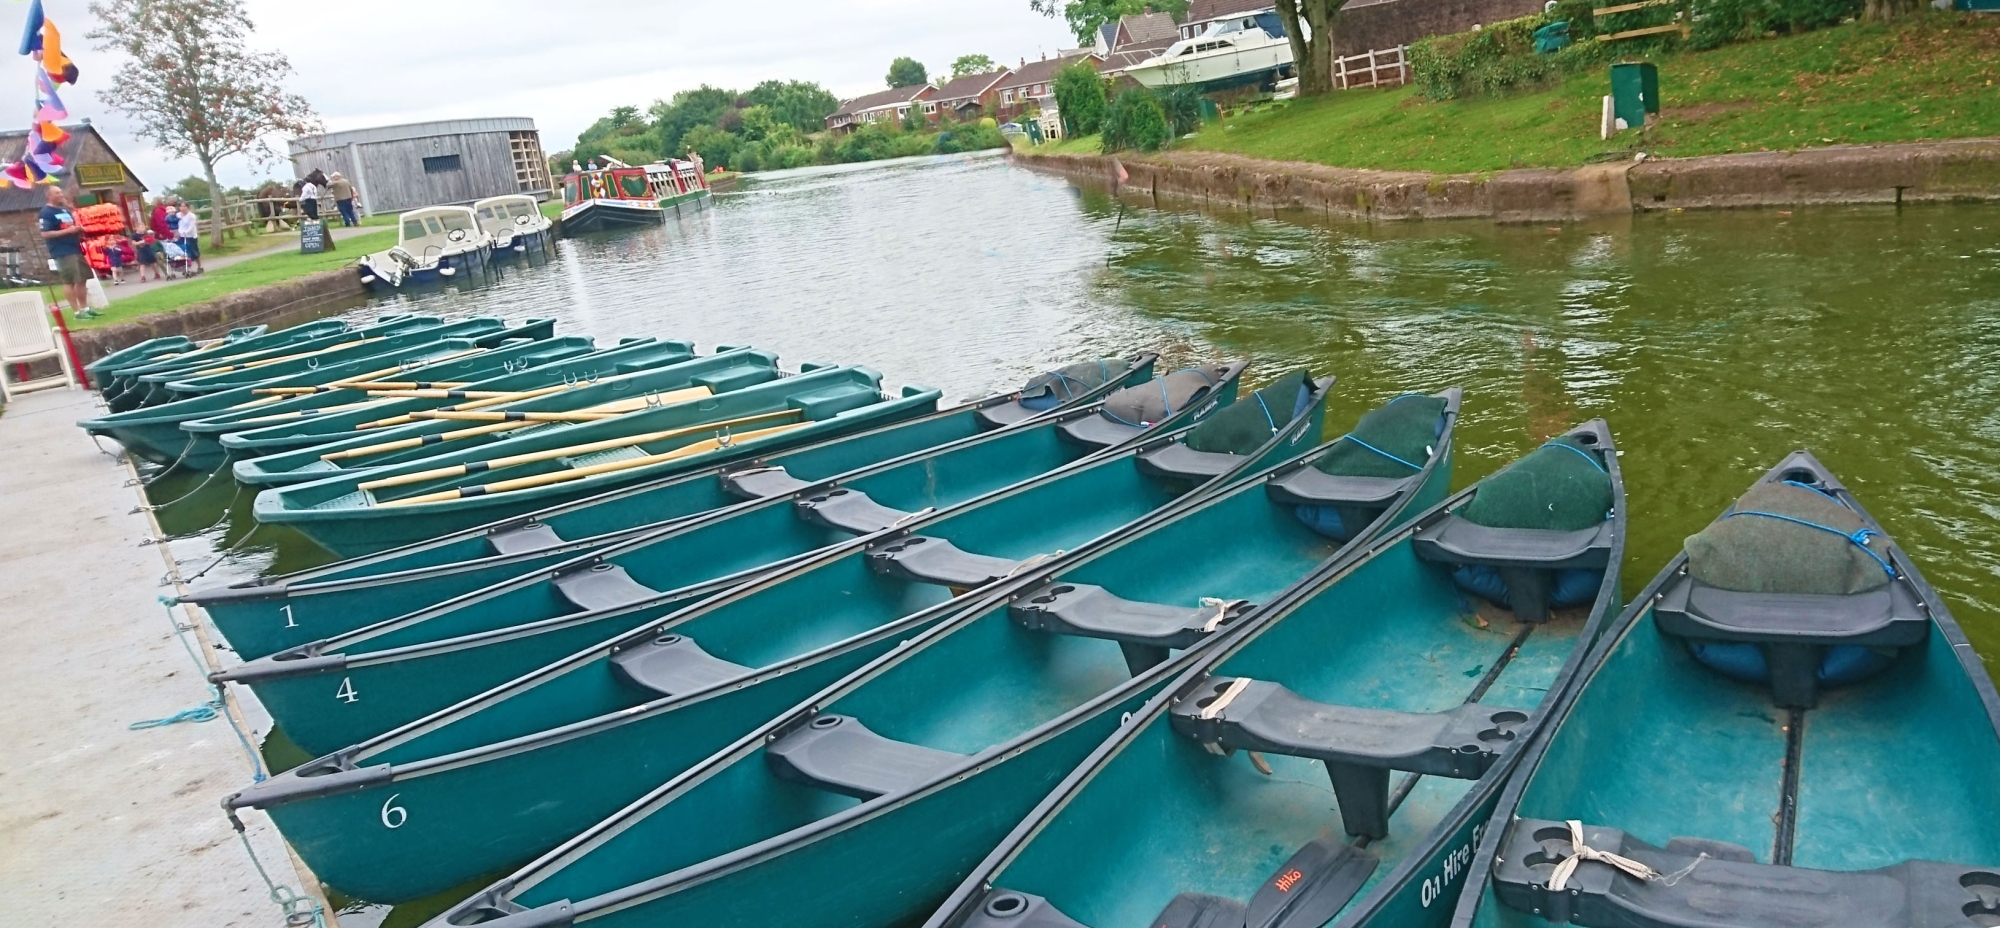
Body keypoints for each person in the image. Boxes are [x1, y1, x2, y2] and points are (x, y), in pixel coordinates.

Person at [39, 186, 90, 316]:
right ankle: (77, 312)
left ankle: (85, 308)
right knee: (70, 280)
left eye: (61, 192)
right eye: (57, 193)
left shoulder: (64, 210)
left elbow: (69, 226)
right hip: (62, 250)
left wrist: (78, 229)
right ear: (49, 196)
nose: (61, 195)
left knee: (82, 278)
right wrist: (68, 231)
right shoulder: (46, 212)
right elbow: (45, 233)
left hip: (75, 248)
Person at [175, 201, 204, 273]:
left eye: (184, 206)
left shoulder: (191, 216)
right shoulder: (177, 215)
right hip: (180, 236)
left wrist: (187, 232)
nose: (183, 208)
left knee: (194, 252)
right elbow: (176, 224)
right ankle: (186, 268)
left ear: (187, 207)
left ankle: (200, 267)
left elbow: (191, 226)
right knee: (183, 252)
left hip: (190, 236)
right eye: (181, 206)